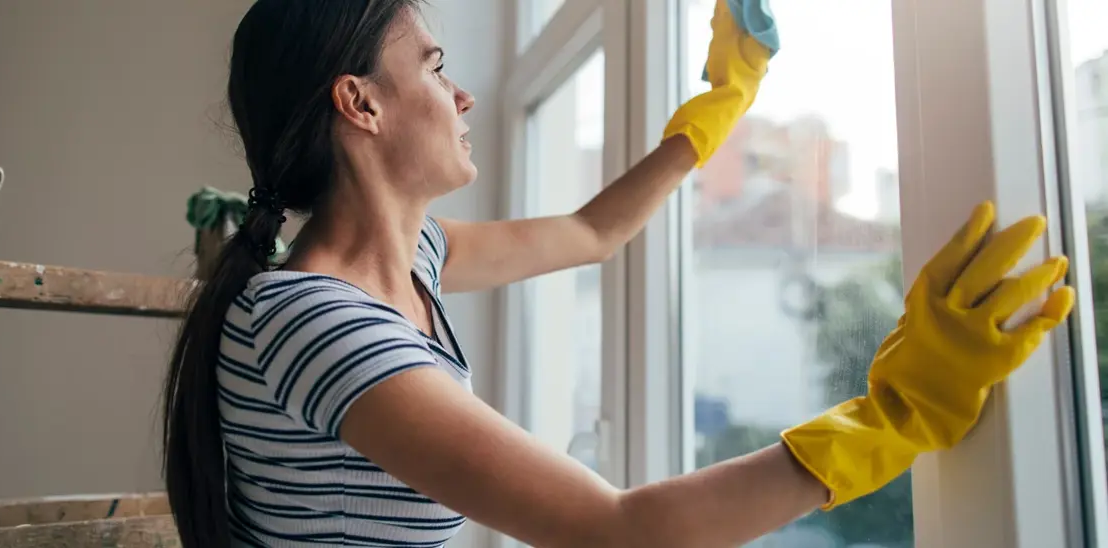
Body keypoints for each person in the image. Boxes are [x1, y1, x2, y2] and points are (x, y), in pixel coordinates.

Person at [160, 0, 1076, 546]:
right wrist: (892, 417)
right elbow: (617, 533)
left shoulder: (413, 264)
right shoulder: (314, 321)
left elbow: (592, 231)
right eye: (436, 67)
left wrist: (716, 111)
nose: (463, 93)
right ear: (359, 104)